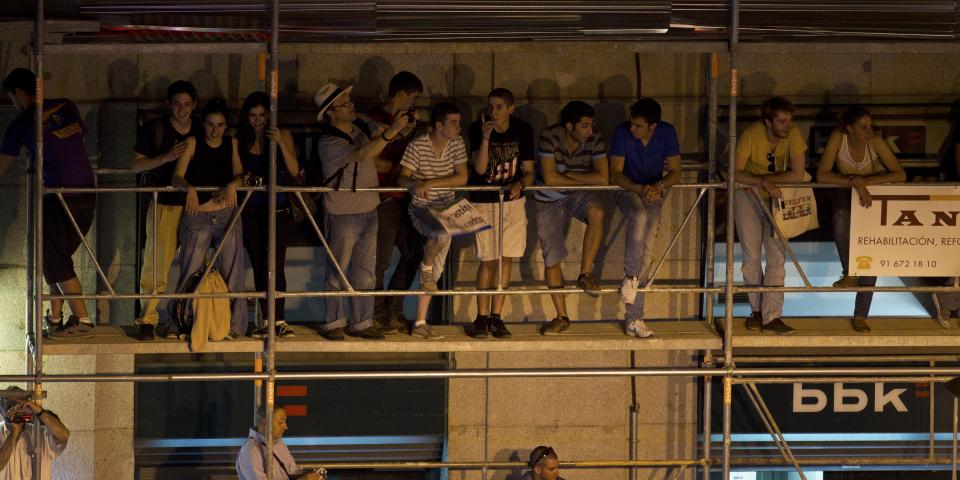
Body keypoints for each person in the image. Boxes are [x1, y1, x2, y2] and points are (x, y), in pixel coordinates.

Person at [0, 68, 96, 339]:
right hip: (87, 192)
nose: (13, 104)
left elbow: (2, 165)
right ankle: (55, 318)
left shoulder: (21, 123)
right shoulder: (67, 105)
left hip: (59, 195)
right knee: (57, 258)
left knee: (53, 259)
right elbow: (79, 140)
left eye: (12, 98)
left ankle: (84, 319)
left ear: (19, 93)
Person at [313, 83, 408, 341]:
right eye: (345, 103)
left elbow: (387, 138)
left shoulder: (359, 127)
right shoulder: (329, 141)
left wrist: (397, 125)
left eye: (350, 100)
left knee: (366, 269)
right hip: (343, 212)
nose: (351, 105)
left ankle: (362, 321)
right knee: (338, 268)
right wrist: (390, 132)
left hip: (369, 207)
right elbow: (361, 154)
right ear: (331, 112)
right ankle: (333, 321)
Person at [816, 106, 906, 333]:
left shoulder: (875, 141)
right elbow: (823, 174)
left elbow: (900, 174)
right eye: (863, 127)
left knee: (870, 253)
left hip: (872, 195)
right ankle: (850, 272)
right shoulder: (839, 138)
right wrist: (855, 183)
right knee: (839, 217)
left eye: (870, 126)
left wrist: (866, 183)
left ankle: (860, 315)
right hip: (847, 191)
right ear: (849, 128)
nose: (869, 130)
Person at [131, 80, 203, 341]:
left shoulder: (202, 128)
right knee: (156, 266)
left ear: (194, 105)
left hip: (199, 206)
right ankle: (148, 320)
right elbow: (136, 165)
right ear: (168, 105)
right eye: (177, 104)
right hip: (164, 203)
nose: (182, 110)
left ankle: (188, 317)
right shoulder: (157, 129)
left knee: (195, 265)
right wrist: (166, 157)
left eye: (186, 105)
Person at [169, 98, 248, 338]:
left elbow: (240, 174)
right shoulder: (193, 142)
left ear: (226, 126)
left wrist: (233, 185)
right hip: (199, 214)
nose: (215, 130)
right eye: (211, 124)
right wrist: (189, 188)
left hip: (225, 213)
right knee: (190, 271)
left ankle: (234, 327)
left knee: (234, 271)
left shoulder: (231, 143)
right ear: (203, 124)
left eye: (220, 125)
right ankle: (179, 325)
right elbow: (177, 177)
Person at [608, 98, 683, 338]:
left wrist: (657, 186)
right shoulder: (622, 133)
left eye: (638, 126)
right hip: (627, 189)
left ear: (653, 126)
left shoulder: (667, 132)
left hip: (653, 191)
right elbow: (616, 173)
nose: (632, 129)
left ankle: (634, 318)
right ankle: (630, 277)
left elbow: (676, 171)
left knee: (647, 254)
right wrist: (640, 189)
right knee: (638, 215)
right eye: (631, 124)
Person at [534, 101, 609, 335]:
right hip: (548, 198)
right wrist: (584, 178)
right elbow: (549, 178)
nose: (590, 131)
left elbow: (603, 178)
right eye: (585, 126)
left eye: (591, 125)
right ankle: (561, 316)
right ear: (569, 126)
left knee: (597, 211)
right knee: (552, 256)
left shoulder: (594, 140)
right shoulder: (550, 136)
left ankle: (585, 274)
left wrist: (569, 175)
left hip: (575, 194)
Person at [734, 96, 806, 335]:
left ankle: (772, 315)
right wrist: (761, 182)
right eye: (782, 121)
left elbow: (797, 174)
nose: (788, 125)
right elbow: (734, 173)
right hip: (750, 195)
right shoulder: (751, 135)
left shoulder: (793, 135)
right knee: (751, 257)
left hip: (774, 195)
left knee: (776, 257)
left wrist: (762, 182)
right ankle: (758, 312)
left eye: (790, 120)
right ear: (768, 122)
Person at [467, 88, 534, 339]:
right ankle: (481, 317)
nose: (493, 111)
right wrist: (485, 139)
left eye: (498, 107)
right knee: (488, 259)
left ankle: (496, 317)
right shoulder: (478, 128)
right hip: (485, 199)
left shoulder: (523, 129)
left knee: (507, 257)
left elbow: (529, 170)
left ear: (510, 109)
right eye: (490, 106)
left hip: (512, 201)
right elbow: (480, 168)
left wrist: (521, 185)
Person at [398, 102, 469, 340]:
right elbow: (402, 178)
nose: (459, 127)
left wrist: (429, 182)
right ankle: (424, 268)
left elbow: (462, 178)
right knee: (441, 235)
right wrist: (416, 185)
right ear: (439, 125)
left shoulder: (457, 143)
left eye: (459, 122)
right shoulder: (417, 146)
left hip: (447, 206)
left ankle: (420, 321)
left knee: (436, 270)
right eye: (454, 122)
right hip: (422, 208)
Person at [237, 91, 300, 338]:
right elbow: (236, 173)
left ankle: (280, 319)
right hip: (251, 210)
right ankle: (266, 319)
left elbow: (294, 170)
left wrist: (280, 142)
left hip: (279, 208)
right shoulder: (241, 140)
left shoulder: (282, 135)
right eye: (253, 115)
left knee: (276, 264)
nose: (258, 120)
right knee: (259, 264)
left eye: (262, 115)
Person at [366, 72, 424, 334]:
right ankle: (378, 314)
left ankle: (393, 310)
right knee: (381, 259)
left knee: (413, 254)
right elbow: (367, 158)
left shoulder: (406, 124)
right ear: (400, 95)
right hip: (384, 195)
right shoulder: (375, 121)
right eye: (413, 98)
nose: (414, 105)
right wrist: (396, 167)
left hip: (405, 197)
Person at [236, 404, 324, 480]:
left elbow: (291, 471)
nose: (286, 427)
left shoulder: (278, 443)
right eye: (281, 422)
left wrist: (309, 475)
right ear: (265, 422)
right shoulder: (251, 451)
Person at [0, 387, 69, 480]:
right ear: (1, 410)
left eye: (18, 405)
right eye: (10, 405)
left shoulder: (38, 432)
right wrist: (13, 433)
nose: (15, 410)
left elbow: (63, 435)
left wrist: (39, 411)